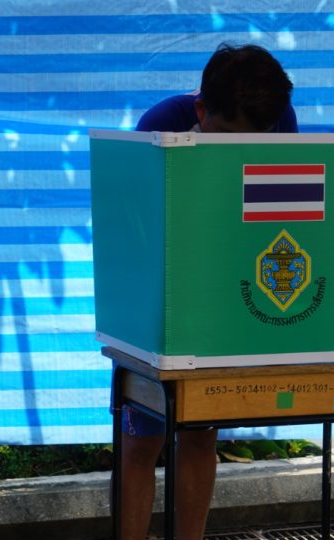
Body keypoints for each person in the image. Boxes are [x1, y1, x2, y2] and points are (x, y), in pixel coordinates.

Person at [117, 43, 297, 540]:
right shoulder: (158, 125)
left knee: (200, 436)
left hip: (226, 298)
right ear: (201, 111)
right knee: (139, 445)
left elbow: (283, 213)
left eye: (253, 141)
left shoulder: (279, 118)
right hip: (156, 307)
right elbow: (133, 236)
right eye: (226, 138)